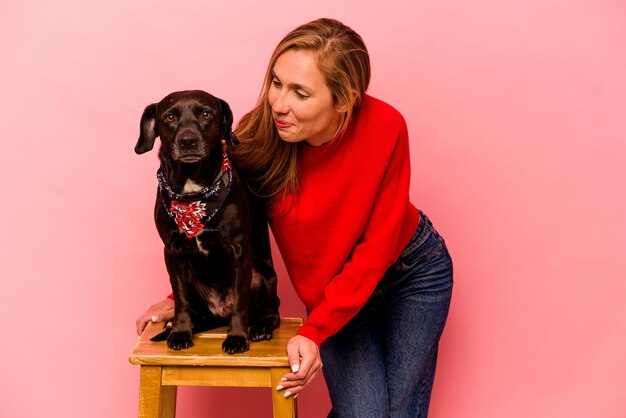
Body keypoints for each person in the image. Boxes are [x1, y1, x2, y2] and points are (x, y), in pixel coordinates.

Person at [136, 18, 453, 418]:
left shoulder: (387, 125)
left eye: (300, 92)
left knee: (403, 412)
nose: (279, 104)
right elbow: (231, 230)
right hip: (333, 291)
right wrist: (181, 297)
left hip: (414, 271)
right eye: (276, 82)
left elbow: (378, 244)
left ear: (344, 100)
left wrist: (315, 331)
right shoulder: (252, 142)